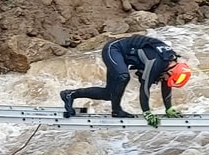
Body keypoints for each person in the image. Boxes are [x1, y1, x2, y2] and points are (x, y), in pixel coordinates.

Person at [61, 35, 191, 118]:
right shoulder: (156, 62)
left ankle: (69, 94)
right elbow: (144, 88)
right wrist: (147, 113)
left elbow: (167, 85)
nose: (165, 80)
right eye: (168, 77)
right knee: (123, 76)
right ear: (171, 71)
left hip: (123, 55)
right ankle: (117, 111)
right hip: (114, 49)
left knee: (109, 94)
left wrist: (169, 109)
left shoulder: (170, 62)